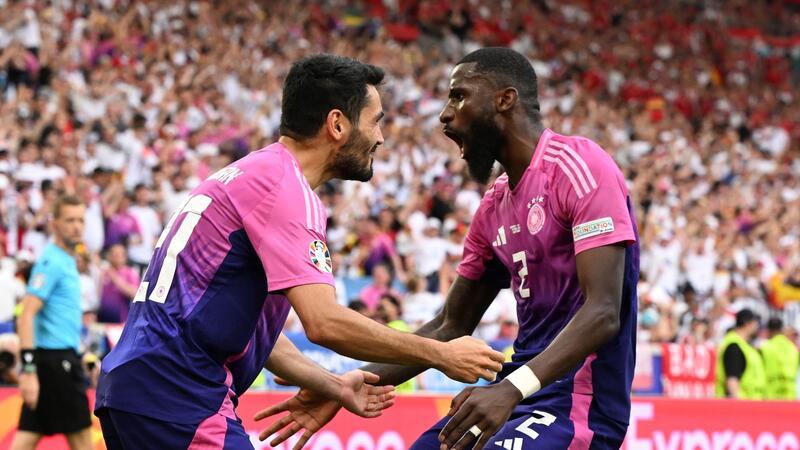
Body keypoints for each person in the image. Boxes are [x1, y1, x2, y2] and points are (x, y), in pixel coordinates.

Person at [94, 54, 504, 450]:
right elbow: (324, 322)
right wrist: (439, 353)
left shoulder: (253, 174)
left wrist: (334, 385)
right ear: (337, 124)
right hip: (178, 393)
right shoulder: (285, 190)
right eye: (376, 121)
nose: (380, 136)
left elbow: (252, 330)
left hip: (139, 386)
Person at [262, 47, 640, 449]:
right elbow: (449, 326)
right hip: (517, 395)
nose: (445, 113)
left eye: (458, 96)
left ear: (504, 99)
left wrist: (510, 389)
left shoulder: (579, 166)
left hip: (577, 404)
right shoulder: (494, 205)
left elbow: (603, 312)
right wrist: (341, 386)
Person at [11, 194, 92, 450]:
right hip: (56, 364)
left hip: (58, 360)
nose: (77, 226)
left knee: (26, 439)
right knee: (83, 443)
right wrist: (29, 372)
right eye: (69, 220)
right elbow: (27, 313)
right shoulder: (52, 261)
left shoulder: (66, 260)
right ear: (54, 223)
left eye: (80, 220)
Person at [715, 309, 766, 399]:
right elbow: (732, 381)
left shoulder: (745, 346)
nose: (757, 327)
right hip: (743, 406)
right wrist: (740, 408)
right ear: (747, 323)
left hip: (751, 404)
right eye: (755, 323)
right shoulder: (734, 346)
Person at [760, 317, 798, 400]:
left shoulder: (765, 347)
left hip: (770, 395)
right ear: (782, 330)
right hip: (790, 395)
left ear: (768, 331)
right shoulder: (793, 348)